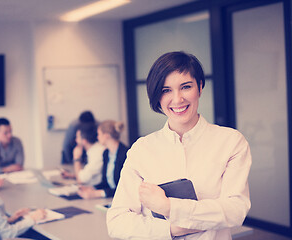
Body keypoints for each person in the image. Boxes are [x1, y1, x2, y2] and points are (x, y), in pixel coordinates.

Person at [107, 51, 252, 239]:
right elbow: (117, 223)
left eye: (185, 87)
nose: (177, 99)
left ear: (200, 87)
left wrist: (168, 207)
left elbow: (235, 210)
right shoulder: (142, 149)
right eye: (166, 90)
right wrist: (173, 230)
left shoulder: (231, 142)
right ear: (157, 96)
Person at [77, 120, 129, 199]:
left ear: (106, 136)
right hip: (111, 199)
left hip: (123, 199)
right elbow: (105, 183)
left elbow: (124, 188)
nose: (97, 137)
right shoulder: (106, 153)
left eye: (99, 134)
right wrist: (92, 188)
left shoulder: (125, 154)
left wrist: (96, 194)